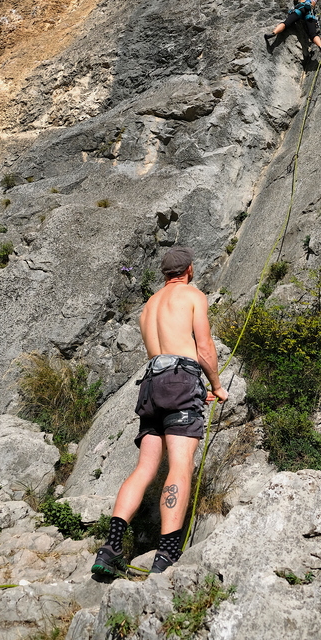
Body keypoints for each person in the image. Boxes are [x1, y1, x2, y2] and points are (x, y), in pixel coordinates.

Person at [91, 246, 229, 577]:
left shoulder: (148, 307)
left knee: (145, 468)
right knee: (180, 466)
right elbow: (205, 348)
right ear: (190, 270)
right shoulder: (193, 296)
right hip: (183, 379)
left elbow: (160, 353)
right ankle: (166, 556)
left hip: (152, 384)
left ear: (164, 274)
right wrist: (215, 385)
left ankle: (110, 549)